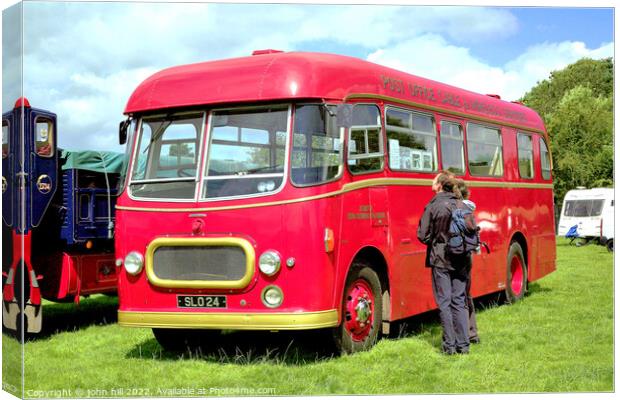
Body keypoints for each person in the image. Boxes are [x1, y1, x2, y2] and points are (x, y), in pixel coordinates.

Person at [417, 171, 470, 355]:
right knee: (459, 300)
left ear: (439, 185)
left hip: (440, 258)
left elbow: (422, 235)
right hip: (461, 256)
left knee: (445, 302)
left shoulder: (434, 205)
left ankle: (449, 346)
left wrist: (436, 239)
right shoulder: (460, 203)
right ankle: (463, 345)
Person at [456, 179, 480, 344]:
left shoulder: (457, 209)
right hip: (468, 254)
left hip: (456, 254)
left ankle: (462, 334)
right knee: (467, 294)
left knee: (457, 296)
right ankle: (472, 332)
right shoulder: (470, 209)